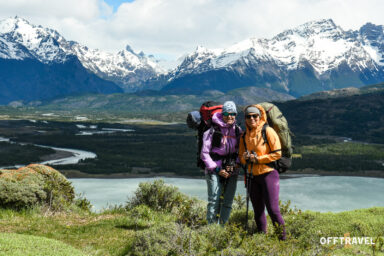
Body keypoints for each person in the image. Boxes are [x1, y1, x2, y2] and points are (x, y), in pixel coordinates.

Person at [239, 104, 286, 240]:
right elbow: (241, 156)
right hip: (252, 176)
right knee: (258, 211)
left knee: (273, 210)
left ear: (260, 117)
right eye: (249, 116)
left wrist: (258, 159)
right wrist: (245, 158)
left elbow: (277, 154)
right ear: (245, 118)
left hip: (268, 174)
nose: (252, 119)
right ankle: (262, 239)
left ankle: (283, 242)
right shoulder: (244, 136)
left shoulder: (268, 131)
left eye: (255, 116)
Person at [200, 101, 241, 224]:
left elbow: (241, 150)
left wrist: (236, 165)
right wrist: (217, 169)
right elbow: (204, 154)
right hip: (214, 169)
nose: (230, 116)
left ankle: (222, 229)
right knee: (214, 200)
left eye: (233, 113)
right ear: (222, 113)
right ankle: (211, 230)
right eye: (227, 113)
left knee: (228, 201)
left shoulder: (237, 130)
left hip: (231, 169)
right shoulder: (213, 130)